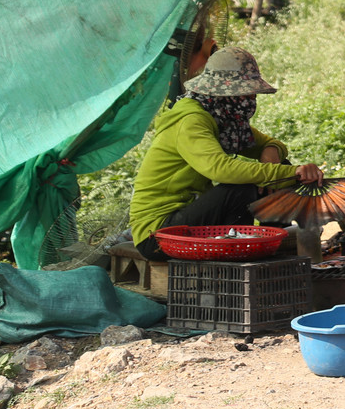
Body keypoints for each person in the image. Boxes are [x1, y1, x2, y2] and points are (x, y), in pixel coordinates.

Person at [129, 47, 324, 260]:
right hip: (158, 234)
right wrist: (284, 172)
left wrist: (272, 157)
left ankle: (278, 237)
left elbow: (271, 144)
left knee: (278, 169)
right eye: (245, 92)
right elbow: (220, 169)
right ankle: (239, 253)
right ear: (225, 93)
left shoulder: (224, 120)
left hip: (188, 219)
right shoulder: (192, 121)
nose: (250, 98)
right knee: (241, 188)